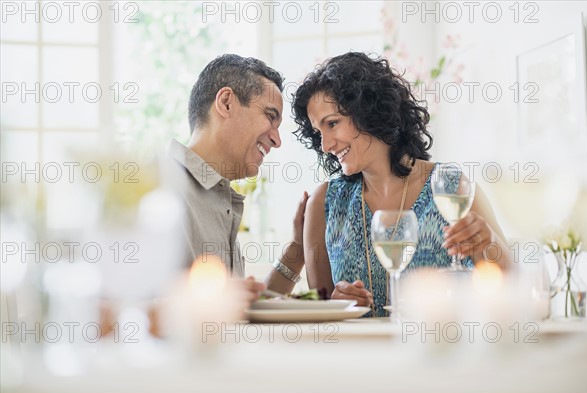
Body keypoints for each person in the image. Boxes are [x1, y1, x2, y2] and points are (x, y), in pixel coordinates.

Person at [292, 52, 511, 317]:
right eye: (319, 132)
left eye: (333, 123)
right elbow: (320, 316)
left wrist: (488, 244)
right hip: (359, 357)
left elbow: (514, 289)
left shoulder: (451, 187)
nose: (326, 146)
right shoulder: (324, 203)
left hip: (446, 354)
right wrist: (335, 304)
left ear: (368, 110)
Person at [168, 54, 307, 300]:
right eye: (269, 115)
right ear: (227, 102)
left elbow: (238, 308)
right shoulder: (159, 188)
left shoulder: (218, 197)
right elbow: (125, 310)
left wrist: (297, 249)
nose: (277, 140)